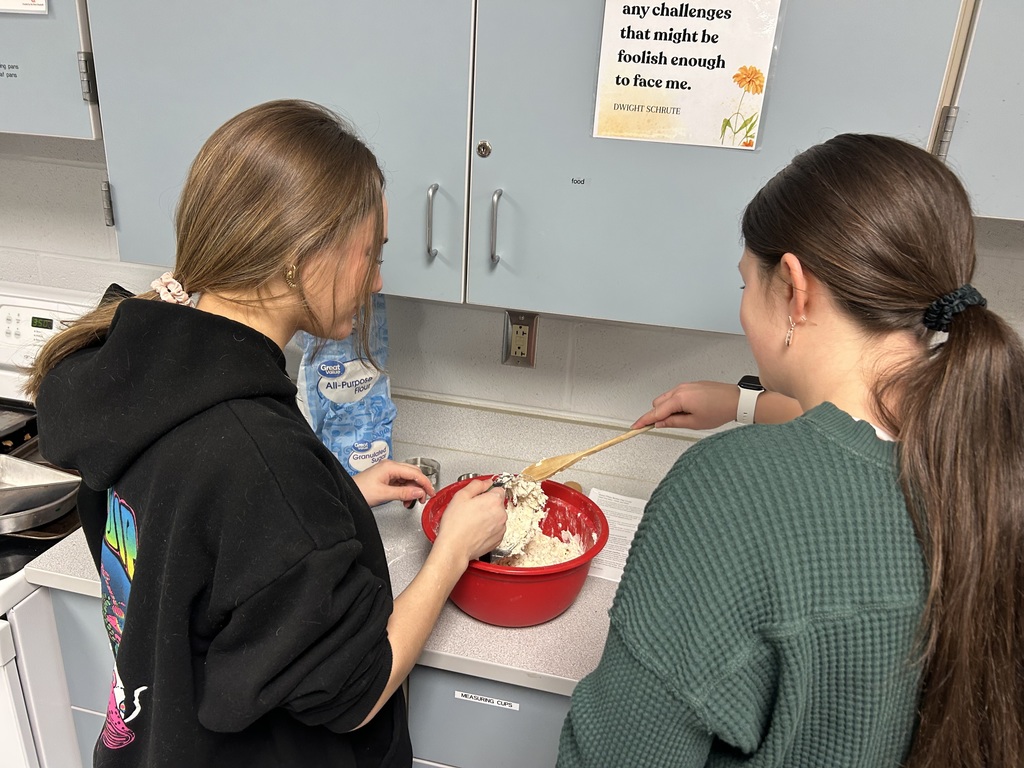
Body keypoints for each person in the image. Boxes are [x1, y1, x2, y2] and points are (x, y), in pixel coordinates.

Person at [25, 99, 507, 767]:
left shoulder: (131, 378)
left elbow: (198, 530)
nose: (376, 279)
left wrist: (337, 496)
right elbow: (356, 692)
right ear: (301, 257)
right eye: (372, 254)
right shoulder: (260, 459)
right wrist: (453, 551)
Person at [558, 134, 1024, 767]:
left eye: (748, 283)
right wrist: (741, 402)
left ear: (795, 290)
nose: (744, 308)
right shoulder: (989, 451)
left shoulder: (729, 495)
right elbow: (859, 444)